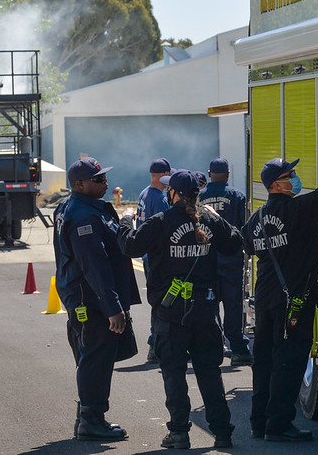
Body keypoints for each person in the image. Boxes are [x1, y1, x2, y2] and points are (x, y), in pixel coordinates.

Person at [117, 170, 241, 449]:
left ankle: (179, 433)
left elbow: (130, 246)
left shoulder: (161, 222)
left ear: (173, 193)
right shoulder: (209, 219)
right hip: (205, 310)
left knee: (173, 373)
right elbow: (235, 242)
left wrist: (125, 221)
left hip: (171, 312)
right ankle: (222, 431)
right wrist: (216, 217)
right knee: (209, 371)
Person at [242, 127, 318, 442]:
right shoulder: (298, 211)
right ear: (277, 185)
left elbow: (246, 245)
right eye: (290, 175)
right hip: (293, 303)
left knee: (264, 360)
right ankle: (279, 425)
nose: (295, 179)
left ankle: (259, 422)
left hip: (265, 298)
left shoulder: (256, 218)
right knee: (289, 360)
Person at [54, 157, 142, 441]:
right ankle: (91, 421)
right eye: (98, 179)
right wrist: (113, 308)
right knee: (95, 359)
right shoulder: (84, 216)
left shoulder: (80, 207)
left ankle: (86, 416)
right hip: (90, 300)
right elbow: (95, 266)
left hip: (85, 296)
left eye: (104, 177)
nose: (105, 183)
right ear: (79, 184)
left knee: (93, 357)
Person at [199, 157, 252, 366]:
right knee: (233, 306)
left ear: (209, 174)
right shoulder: (237, 196)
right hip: (231, 260)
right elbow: (244, 227)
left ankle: (213, 347)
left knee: (208, 306)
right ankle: (237, 349)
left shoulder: (199, 197)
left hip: (205, 262)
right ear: (228, 174)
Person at [137, 157, 172, 363]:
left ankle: (156, 344)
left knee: (157, 301)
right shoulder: (159, 198)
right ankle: (155, 346)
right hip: (158, 257)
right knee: (162, 302)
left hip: (148, 255)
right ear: (163, 175)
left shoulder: (144, 193)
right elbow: (167, 228)